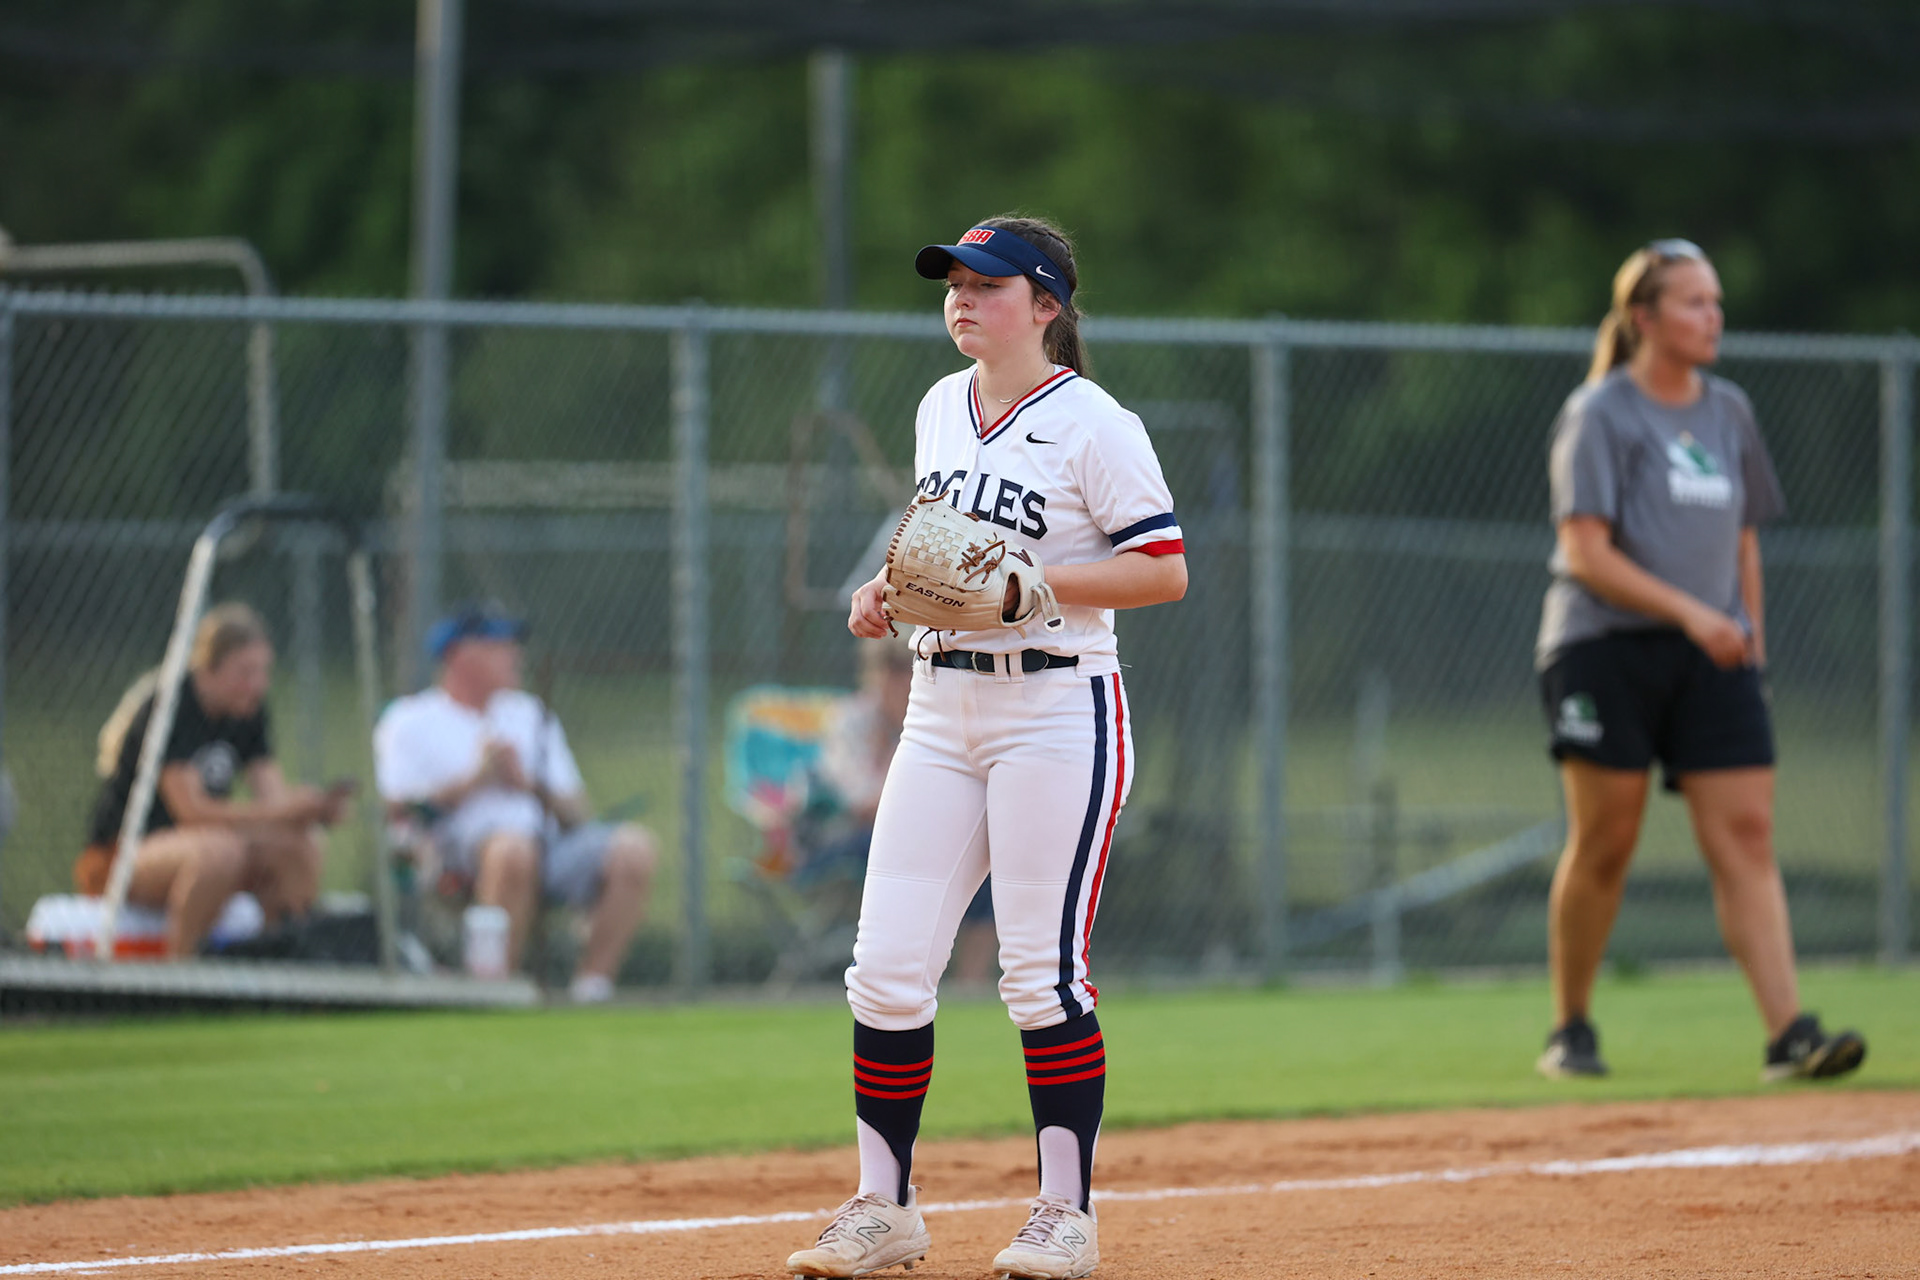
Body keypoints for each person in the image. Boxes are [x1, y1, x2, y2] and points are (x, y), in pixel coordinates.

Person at [786, 216, 1187, 1280]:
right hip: (938, 708)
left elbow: (1162, 568)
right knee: (883, 969)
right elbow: (935, 549)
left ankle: (1066, 1214)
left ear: (1047, 305)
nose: (962, 297)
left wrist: (1039, 584)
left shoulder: (1095, 423)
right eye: (953, 282)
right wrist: (888, 589)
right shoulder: (937, 407)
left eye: (989, 284)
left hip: (1057, 712)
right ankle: (885, 1205)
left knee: (1040, 973)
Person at [1534, 238, 1866, 1083]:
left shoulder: (1728, 411)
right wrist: (1695, 613)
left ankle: (1788, 1033)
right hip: (1603, 647)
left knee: (1748, 834)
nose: (1713, 317)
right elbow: (1585, 553)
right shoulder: (1601, 412)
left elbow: (1742, 536)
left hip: (1715, 651)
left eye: (1716, 302)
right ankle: (1570, 1027)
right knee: (1608, 839)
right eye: (1693, 303)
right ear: (1644, 319)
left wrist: (1745, 632)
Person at [373, 603, 656, 1003]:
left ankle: (592, 989)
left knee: (634, 848)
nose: (515, 656)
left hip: (549, 847)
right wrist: (475, 779)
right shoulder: (410, 721)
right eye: (499, 646)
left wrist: (527, 783)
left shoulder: (530, 714)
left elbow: (579, 814)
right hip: (453, 856)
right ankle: (495, 989)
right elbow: (399, 811)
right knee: (511, 851)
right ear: (460, 655)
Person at [78, 603, 347, 958]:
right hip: (124, 853)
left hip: (205, 845)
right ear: (208, 669)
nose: (258, 684)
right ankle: (181, 974)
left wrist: (309, 809)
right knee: (220, 852)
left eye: (262, 672)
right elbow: (192, 812)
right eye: (245, 672)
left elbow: (273, 798)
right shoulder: (173, 706)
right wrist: (280, 813)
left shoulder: (248, 711)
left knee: (299, 844)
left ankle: (278, 967)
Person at [805, 638, 997, 986]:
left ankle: (971, 983)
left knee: (982, 859)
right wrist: (891, 743)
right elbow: (860, 802)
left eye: (904, 670)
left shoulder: (933, 722)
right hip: (843, 839)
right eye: (889, 671)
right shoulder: (851, 722)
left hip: (918, 833)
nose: (897, 682)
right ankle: (893, 979)